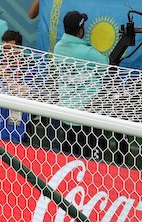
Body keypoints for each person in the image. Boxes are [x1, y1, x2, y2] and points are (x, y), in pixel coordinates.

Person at [52, 11, 108, 160]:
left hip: (66, 117)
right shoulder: (87, 52)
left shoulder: (58, 48)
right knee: (94, 164)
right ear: (80, 30)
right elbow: (106, 64)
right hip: (87, 118)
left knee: (69, 160)